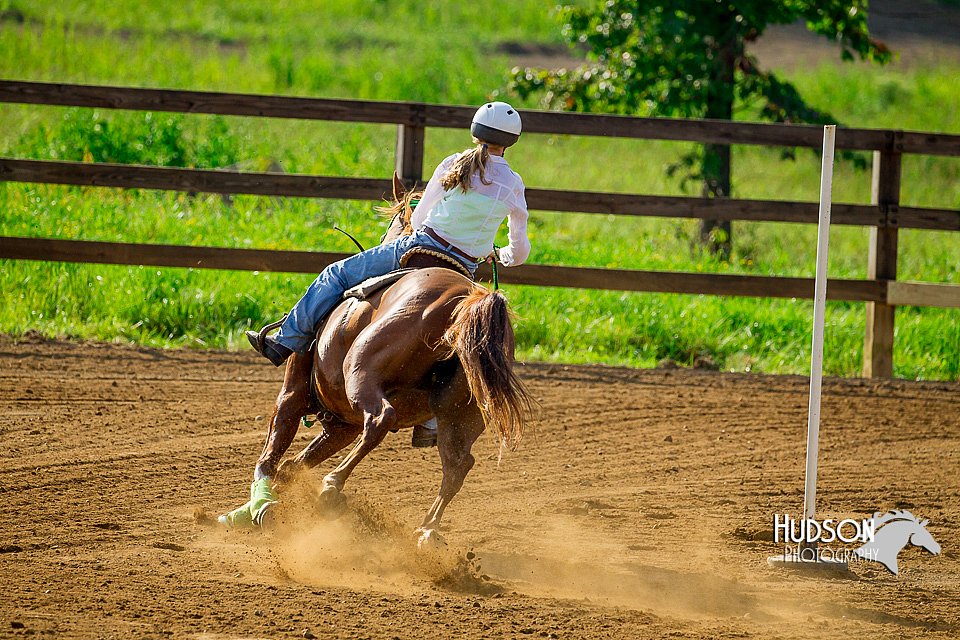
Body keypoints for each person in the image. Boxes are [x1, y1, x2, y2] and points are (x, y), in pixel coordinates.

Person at [245, 102, 531, 446]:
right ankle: (432, 419)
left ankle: (285, 341)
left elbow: (422, 215)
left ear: (475, 132)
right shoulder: (513, 184)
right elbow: (520, 251)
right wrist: (499, 254)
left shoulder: (453, 163)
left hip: (420, 245)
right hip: (464, 267)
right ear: (511, 141)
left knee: (334, 275)